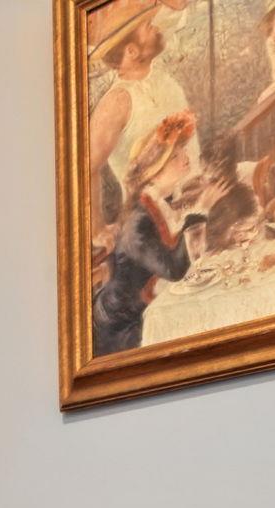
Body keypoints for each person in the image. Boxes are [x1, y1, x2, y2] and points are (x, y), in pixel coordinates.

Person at [93, 113, 203, 356]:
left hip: (145, 308)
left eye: (183, 151)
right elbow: (174, 270)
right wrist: (192, 221)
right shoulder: (138, 221)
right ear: (154, 171)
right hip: (123, 327)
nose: (185, 158)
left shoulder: (159, 203)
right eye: (175, 156)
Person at [88, 1, 195, 238]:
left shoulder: (163, 79)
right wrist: (97, 231)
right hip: (154, 225)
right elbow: (86, 166)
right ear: (131, 51)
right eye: (146, 26)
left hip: (194, 205)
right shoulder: (118, 100)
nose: (155, 27)